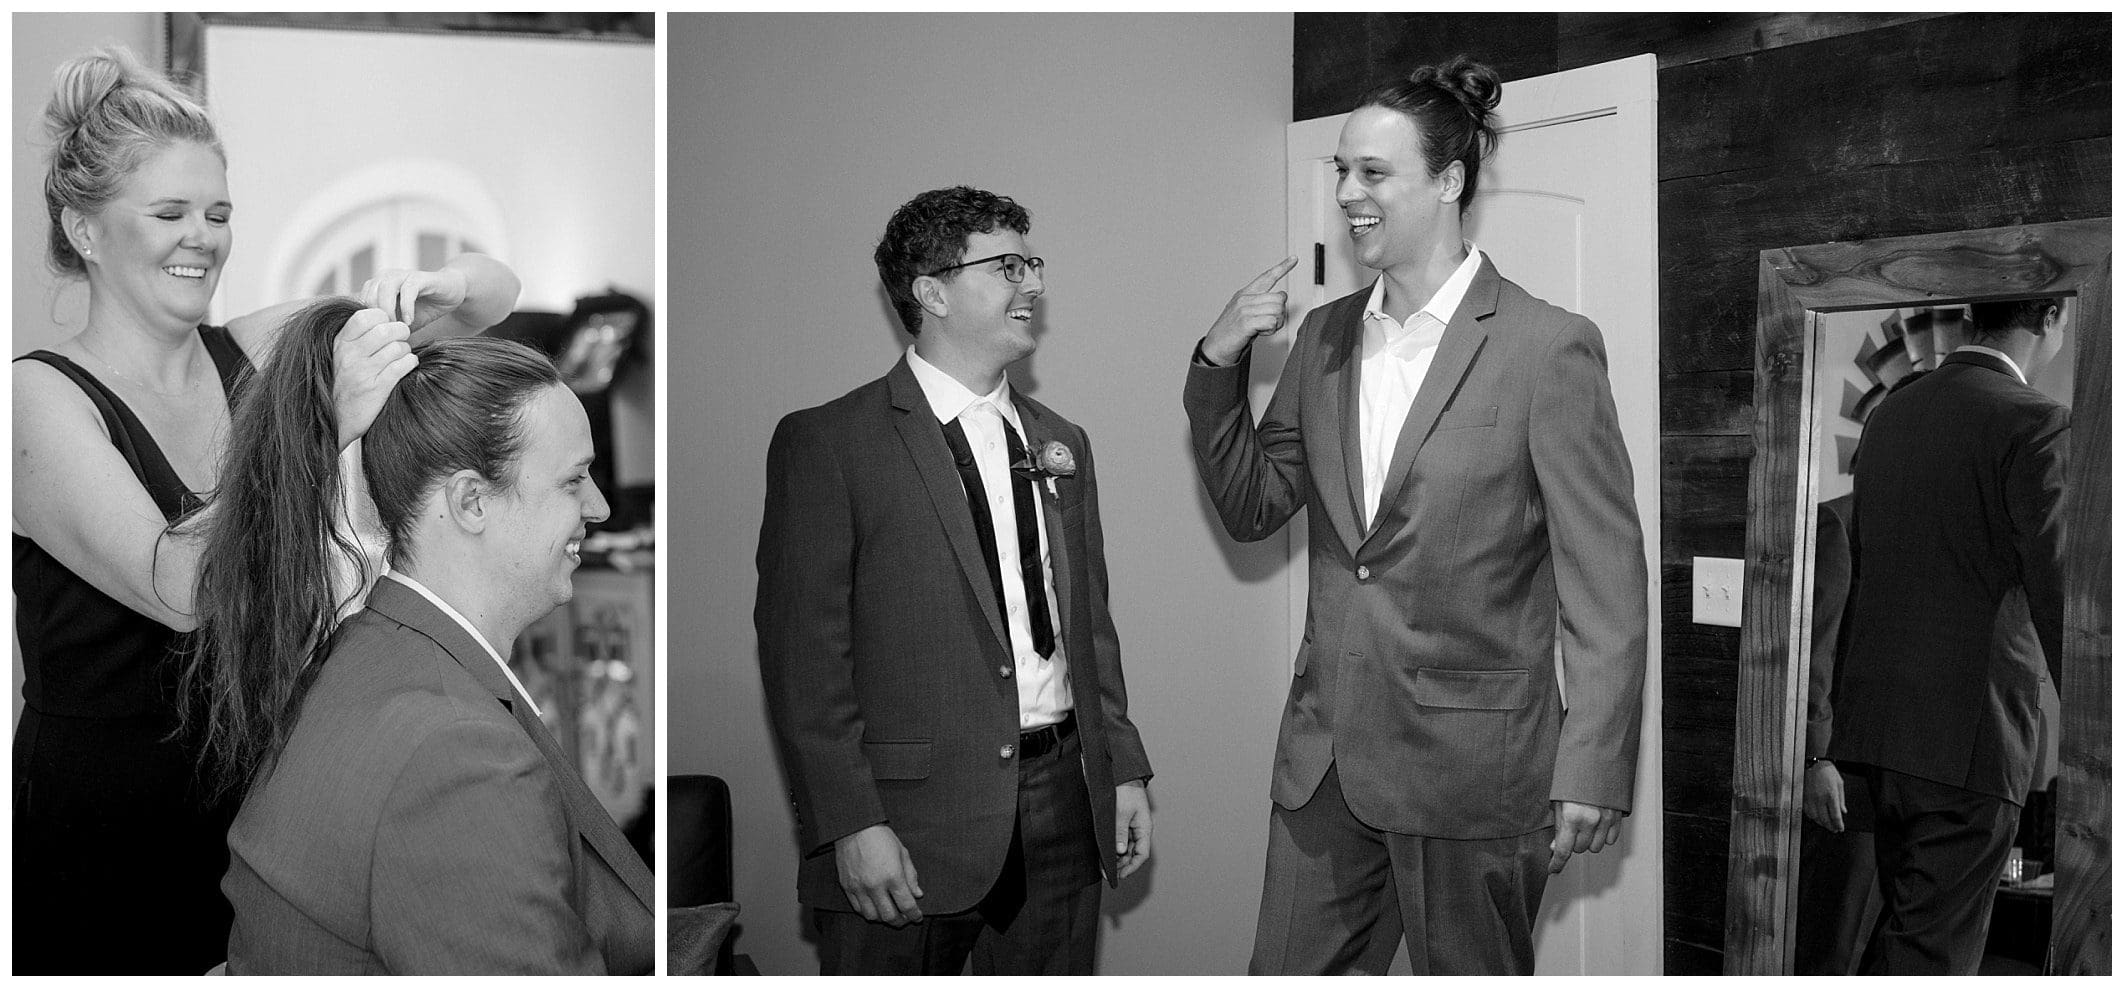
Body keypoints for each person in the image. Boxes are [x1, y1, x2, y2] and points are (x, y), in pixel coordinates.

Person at [11, 46, 517, 974]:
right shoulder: (37, 404)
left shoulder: (253, 350)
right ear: (84, 232)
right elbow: (184, 584)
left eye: (218, 212)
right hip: (105, 827)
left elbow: (492, 302)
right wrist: (323, 434)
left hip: (264, 796)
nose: (201, 237)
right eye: (168, 213)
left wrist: (445, 288)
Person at [1182, 57, 1646, 974]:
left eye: (1373, 172)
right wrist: (1217, 359)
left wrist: (1592, 765)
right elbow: (1252, 505)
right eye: (1342, 171)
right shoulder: (1320, 338)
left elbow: (1607, 583)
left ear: (1449, 180)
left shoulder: (1547, 348)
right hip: (1325, 766)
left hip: (1475, 772)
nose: (1347, 192)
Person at [187, 298, 654, 973]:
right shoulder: (457, 757)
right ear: (471, 502)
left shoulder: (360, 652)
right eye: (574, 481)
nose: (600, 509)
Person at [756, 186, 1153, 975]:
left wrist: (1124, 767)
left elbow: (1090, 626)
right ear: (931, 292)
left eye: (1032, 263)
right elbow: (803, 657)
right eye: (1007, 266)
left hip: (1062, 806)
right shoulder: (830, 443)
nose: (1033, 285)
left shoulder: (1060, 442)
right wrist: (848, 824)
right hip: (903, 823)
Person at [1830, 297, 2069, 974]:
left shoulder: (1890, 416)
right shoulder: (2036, 421)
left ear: (1971, 316)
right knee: (1932, 957)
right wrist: (2100, 714)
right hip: (1970, 735)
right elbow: (2059, 590)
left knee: (1904, 938)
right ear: (2051, 318)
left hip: (1878, 730)